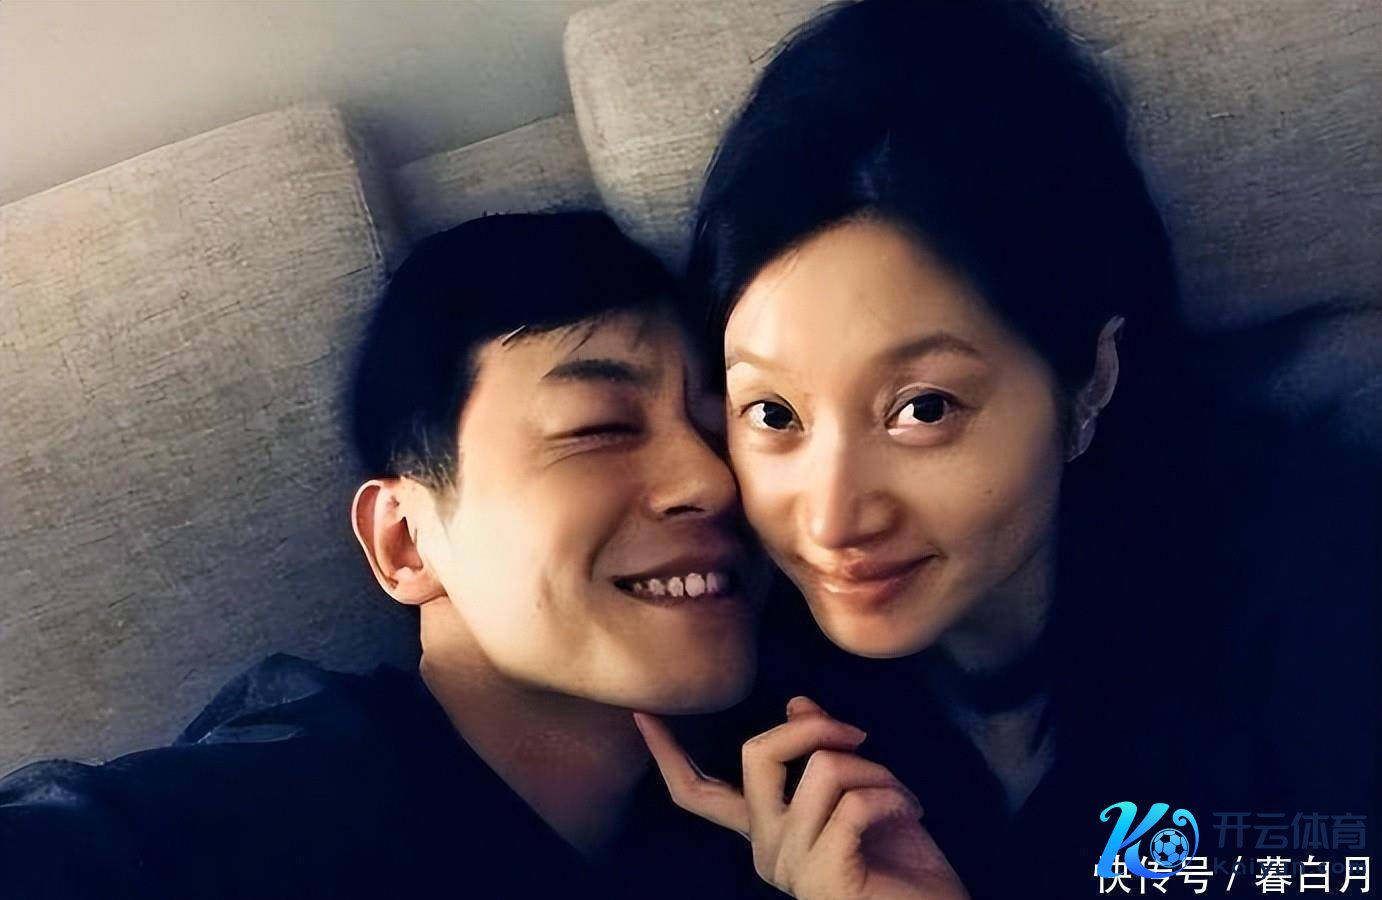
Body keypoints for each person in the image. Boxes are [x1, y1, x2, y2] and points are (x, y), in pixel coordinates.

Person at [635, 1, 1379, 897]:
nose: (832, 520)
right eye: (773, 414)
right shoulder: (752, 732)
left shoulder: (1321, 612)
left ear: (1089, 381)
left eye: (923, 408)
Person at [0, 211, 772, 899]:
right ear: (404, 541)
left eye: (727, 429)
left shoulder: (782, 807)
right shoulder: (284, 809)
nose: (713, 480)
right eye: (600, 426)